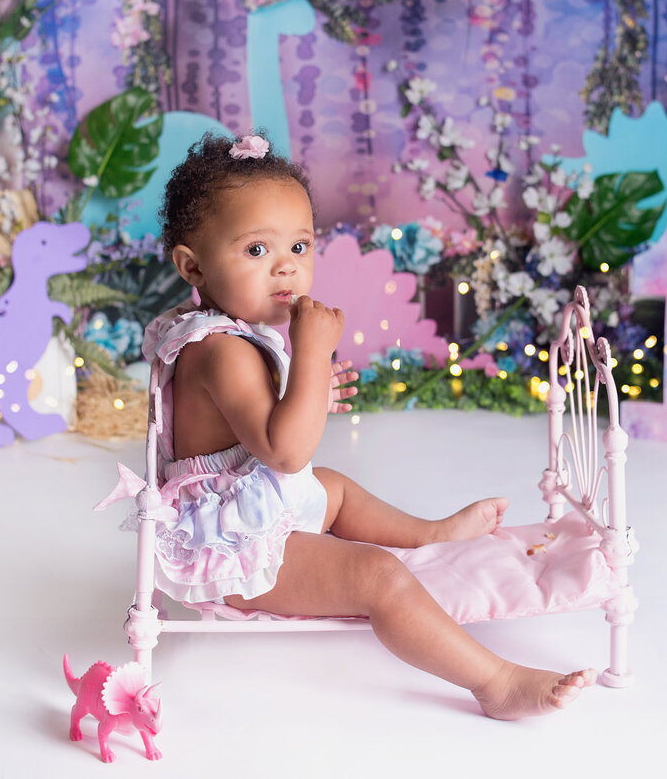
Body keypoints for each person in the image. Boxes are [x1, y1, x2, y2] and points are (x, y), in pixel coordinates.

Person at [147, 130, 595, 720]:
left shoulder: (222, 332)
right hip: (234, 549)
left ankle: (429, 535)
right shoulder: (221, 350)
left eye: (300, 248)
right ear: (192, 264)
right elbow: (284, 452)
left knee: (333, 487)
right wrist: (310, 358)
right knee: (375, 576)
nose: (286, 266)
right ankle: (496, 681)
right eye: (257, 250)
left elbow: (264, 430)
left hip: (246, 498)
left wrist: (305, 395)